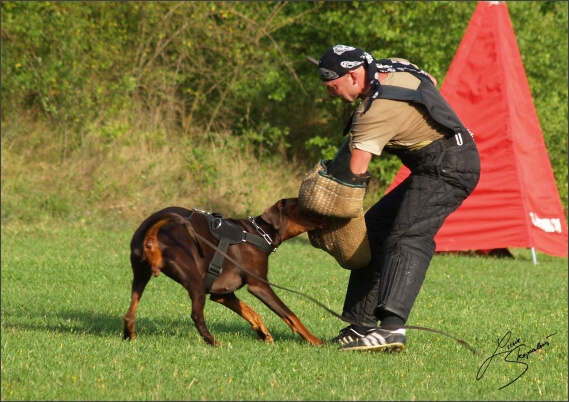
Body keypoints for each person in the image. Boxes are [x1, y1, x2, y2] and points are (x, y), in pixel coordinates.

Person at [316, 45, 480, 352]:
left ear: (352, 76)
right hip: (443, 158)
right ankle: (360, 326)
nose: (330, 94)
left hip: (450, 166)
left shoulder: (373, 112)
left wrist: (328, 212)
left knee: (407, 235)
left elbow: (354, 177)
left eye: (332, 87)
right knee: (374, 231)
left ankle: (392, 328)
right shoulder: (393, 66)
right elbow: (427, 78)